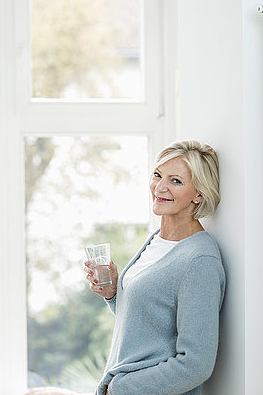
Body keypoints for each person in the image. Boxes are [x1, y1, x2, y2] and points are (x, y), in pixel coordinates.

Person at [84, 140, 225, 395]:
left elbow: (195, 364)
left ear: (199, 194)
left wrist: (120, 389)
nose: (160, 187)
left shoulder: (200, 261)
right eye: (158, 175)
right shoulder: (157, 239)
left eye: (176, 181)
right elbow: (148, 320)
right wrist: (114, 293)